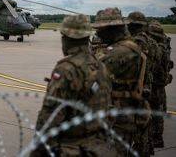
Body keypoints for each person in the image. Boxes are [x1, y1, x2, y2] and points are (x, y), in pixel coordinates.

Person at [31, 14, 116, 157]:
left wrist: (37, 150)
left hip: (72, 148)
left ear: (66, 38)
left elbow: (50, 117)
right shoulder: (100, 65)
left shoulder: (66, 69)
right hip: (98, 147)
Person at [92, 8, 150, 156]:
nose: (97, 34)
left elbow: (91, 77)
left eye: (100, 30)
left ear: (113, 29)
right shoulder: (126, 46)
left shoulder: (121, 52)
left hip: (118, 120)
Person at [126, 11, 158, 155]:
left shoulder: (135, 43)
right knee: (146, 120)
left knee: (135, 126)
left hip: (137, 87)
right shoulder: (152, 42)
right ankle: (147, 147)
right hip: (149, 84)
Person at [148, 20, 173, 148]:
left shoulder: (158, 48)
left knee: (155, 110)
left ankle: (156, 138)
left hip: (155, 83)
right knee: (159, 109)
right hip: (160, 83)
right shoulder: (164, 45)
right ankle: (158, 137)